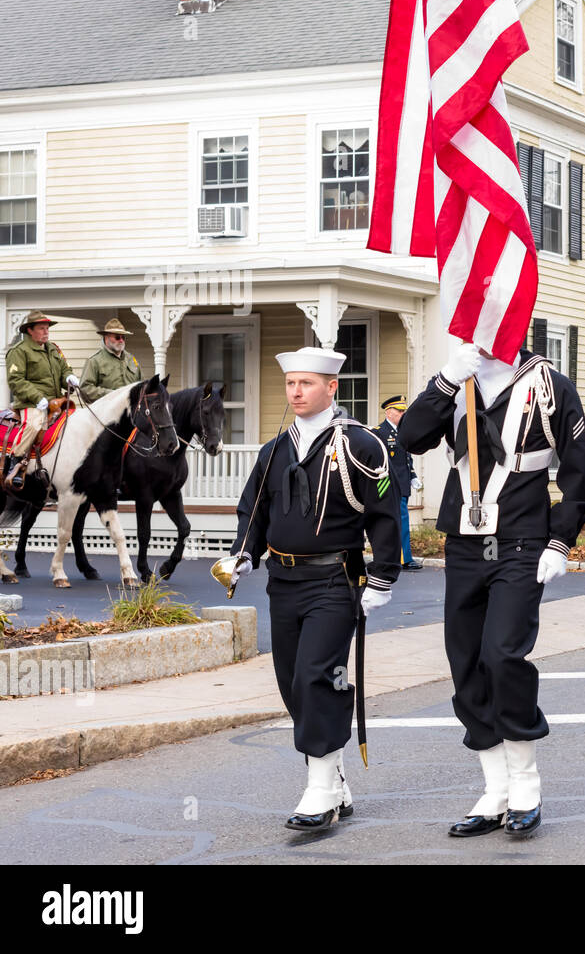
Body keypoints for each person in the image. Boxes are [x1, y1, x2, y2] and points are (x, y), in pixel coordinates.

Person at [398, 338, 585, 838]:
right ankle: (494, 789)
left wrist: (561, 540)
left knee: (503, 653)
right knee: (465, 659)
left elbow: (580, 472)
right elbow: (410, 438)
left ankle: (525, 779)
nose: (479, 331)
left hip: (521, 538)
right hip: (464, 539)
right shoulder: (457, 379)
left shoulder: (549, 385)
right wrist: (444, 380)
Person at [224, 346, 400, 831]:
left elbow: (385, 513)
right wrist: (242, 555)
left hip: (334, 580)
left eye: (306, 383)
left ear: (332, 388)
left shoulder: (362, 445)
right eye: (290, 384)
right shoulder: (274, 450)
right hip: (283, 582)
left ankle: (319, 791)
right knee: (291, 683)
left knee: (318, 676)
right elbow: (253, 512)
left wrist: (384, 576)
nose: (296, 392)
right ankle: (335, 774)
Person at [4, 310, 80, 490]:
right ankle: (16, 462)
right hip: (32, 403)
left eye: (47, 328)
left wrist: (69, 377)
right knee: (34, 424)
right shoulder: (19, 351)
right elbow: (16, 381)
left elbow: (64, 369)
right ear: (30, 331)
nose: (46, 332)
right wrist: (37, 398)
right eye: (42, 328)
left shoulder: (53, 348)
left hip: (56, 401)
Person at [374, 396, 424, 571]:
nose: (403, 414)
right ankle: (403, 559)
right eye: (399, 411)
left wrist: (413, 476)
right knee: (395, 522)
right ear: (389, 412)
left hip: (403, 484)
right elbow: (379, 462)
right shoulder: (380, 432)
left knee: (401, 522)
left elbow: (406, 458)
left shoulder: (402, 431)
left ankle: (396, 558)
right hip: (389, 486)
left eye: (404, 411)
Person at [79, 318, 141, 403]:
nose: (121, 340)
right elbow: (85, 389)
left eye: (123, 337)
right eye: (117, 337)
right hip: (105, 413)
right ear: (106, 337)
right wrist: (112, 395)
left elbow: (142, 384)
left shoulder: (131, 359)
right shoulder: (94, 361)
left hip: (131, 412)